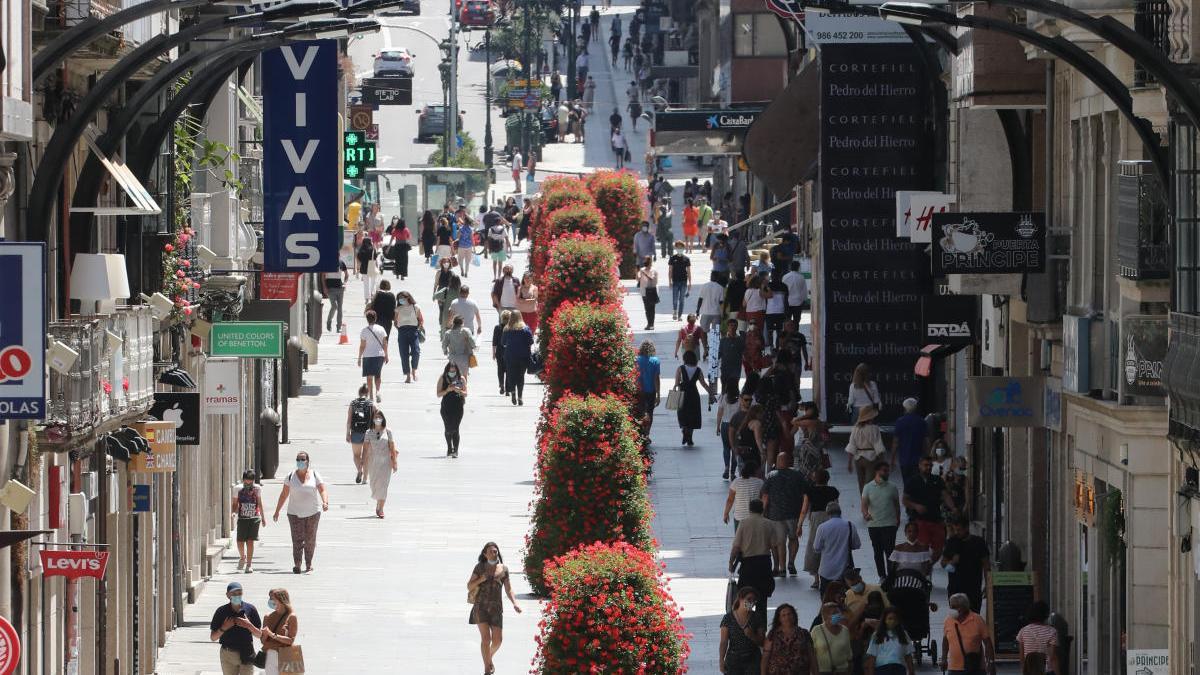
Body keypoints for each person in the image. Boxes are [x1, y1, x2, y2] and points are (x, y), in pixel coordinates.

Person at [467, 542, 523, 675]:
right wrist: (481, 579)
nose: (494, 552)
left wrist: (515, 603)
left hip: (496, 608)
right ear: (485, 554)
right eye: (491, 551)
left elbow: (509, 589)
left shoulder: (503, 569)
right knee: (486, 639)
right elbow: (469, 586)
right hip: (480, 607)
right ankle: (487, 669)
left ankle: (489, 657)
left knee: (498, 640)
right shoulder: (479, 567)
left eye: (495, 550)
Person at [272, 452, 328, 574]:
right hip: (294, 513)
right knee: (297, 539)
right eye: (298, 459)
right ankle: (297, 564)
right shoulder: (291, 476)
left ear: (307, 461)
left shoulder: (314, 474)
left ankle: (308, 564)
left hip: (313, 512)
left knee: (310, 539)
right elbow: (284, 494)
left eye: (302, 459)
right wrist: (277, 511)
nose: (300, 461)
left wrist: (325, 502)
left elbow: (322, 489)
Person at [729, 499, 777, 626]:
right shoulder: (769, 524)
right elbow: (774, 547)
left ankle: (746, 625)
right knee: (762, 599)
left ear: (749, 509)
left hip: (748, 566)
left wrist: (731, 562)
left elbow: (736, 546)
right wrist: (777, 565)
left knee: (747, 597)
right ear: (763, 509)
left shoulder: (743, 523)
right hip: (764, 564)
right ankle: (761, 628)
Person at [761, 452, 806, 576]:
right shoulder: (798, 475)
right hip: (793, 514)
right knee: (793, 538)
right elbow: (805, 495)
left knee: (778, 542)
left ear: (777, 461)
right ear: (789, 462)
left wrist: (763, 512)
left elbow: (765, 496)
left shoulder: (770, 475)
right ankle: (791, 562)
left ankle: (781, 568)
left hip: (775, 515)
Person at [240, 588, 299, 675]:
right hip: (271, 654)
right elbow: (263, 641)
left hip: (287, 653)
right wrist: (263, 634)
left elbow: (291, 640)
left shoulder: (291, 617)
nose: (271, 601)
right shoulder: (268, 617)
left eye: (273, 598)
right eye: (270, 598)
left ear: (281, 600)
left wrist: (272, 634)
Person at [799, 469, 840, 588]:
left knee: (814, 545)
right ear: (827, 479)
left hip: (816, 518)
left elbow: (804, 510)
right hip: (830, 516)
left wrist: (799, 525)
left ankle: (816, 579)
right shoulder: (833, 491)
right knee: (830, 546)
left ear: (814, 479)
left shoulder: (810, 491)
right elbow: (837, 506)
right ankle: (831, 575)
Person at [209, 581, 261, 675]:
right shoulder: (221, 611)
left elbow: (259, 635)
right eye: (234, 594)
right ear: (228, 595)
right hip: (228, 654)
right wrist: (224, 628)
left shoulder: (250, 609)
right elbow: (213, 637)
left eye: (239, 593)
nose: (237, 596)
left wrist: (248, 625)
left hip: (247, 652)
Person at [903, 456, 949, 561]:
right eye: (925, 465)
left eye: (930, 465)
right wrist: (916, 506)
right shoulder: (913, 481)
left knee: (938, 549)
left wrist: (953, 508)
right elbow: (905, 500)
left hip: (936, 519)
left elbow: (945, 495)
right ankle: (923, 569)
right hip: (920, 520)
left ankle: (928, 567)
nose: (928, 467)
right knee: (922, 547)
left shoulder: (937, 480)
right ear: (920, 466)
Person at [941, 514, 991, 612]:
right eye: (955, 529)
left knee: (973, 616)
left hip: (973, 588)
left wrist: (988, 584)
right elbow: (943, 563)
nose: (956, 532)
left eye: (959, 530)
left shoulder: (978, 542)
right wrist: (951, 562)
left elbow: (986, 564)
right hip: (955, 588)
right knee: (956, 617)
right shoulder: (951, 542)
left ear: (966, 528)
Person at [861, 460, 900, 581]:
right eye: (884, 470)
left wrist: (898, 519)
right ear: (877, 472)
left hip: (889, 524)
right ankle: (882, 575)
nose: (886, 473)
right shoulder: (868, 487)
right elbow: (864, 504)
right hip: (874, 524)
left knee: (890, 552)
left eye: (887, 471)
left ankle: (891, 575)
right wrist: (866, 514)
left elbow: (896, 505)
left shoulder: (892, 487)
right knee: (877, 551)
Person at [812, 501, 861, 593]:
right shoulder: (850, 525)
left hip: (826, 570)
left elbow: (816, 548)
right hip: (844, 570)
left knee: (826, 597)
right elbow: (856, 545)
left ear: (827, 513)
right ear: (840, 512)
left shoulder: (822, 527)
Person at [940, 593, 994, 675]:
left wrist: (991, 662)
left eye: (955, 607)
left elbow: (988, 643)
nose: (952, 609)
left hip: (975, 668)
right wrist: (944, 659)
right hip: (954, 669)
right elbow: (945, 641)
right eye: (951, 607)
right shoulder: (948, 620)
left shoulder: (977, 620)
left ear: (963, 607)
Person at [720, 587, 765, 675]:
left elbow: (762, 641)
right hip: (733, 661)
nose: (751, 603)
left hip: (753, 660)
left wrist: (752, 635)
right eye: (748, 599)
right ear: (740, 598)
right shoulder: (728, 618)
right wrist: (721, 659)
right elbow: (724, 642)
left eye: (754, 600)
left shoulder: (757, 617)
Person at [762, 603, 815, 675]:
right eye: (783, 615)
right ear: (779, 619)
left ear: (794, 615)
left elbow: (812, 656)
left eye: (789, 614)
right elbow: (765, 657)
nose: (787, 617)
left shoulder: (804, 633)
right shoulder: (773, 634)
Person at [673, 350, 713, 446]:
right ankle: (690, 437)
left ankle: (684, 431)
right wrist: (711, 393)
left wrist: (676, 387)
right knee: (693, 416)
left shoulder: (680, 368)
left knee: (683, 414)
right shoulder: (698, 370)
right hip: (694, 395)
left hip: (683, 394)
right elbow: (703, 384)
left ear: (685, 358)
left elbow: (677, 383)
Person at [846, 406, 887, 493]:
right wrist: (883, 460)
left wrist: (849, 463)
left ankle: (863, 502)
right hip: (871, 458)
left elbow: (851, 446)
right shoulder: (874, 429)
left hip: (858, 459)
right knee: (869, 484)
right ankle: (869, 504)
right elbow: (878, 446)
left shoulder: (855, 429)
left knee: (861, 483)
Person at [365, 411, 398, 518]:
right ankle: (378, 503)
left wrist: (394, 462)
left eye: (380, 417)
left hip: (386, 462)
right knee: (374, 485)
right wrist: (362, 462)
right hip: (373, 462)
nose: (378, 419)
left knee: (383, 485)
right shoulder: (368, 432)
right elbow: (365, 449)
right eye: (376, 417)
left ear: (383, 419)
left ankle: (381, 508)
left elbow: (392, 447)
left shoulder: (388, 432)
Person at [864, 607, 916, 675]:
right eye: (890, 619)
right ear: (884, 620)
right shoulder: (877, 635)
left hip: (898, 668)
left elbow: (908, 655)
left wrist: (911, 671)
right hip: (882, 669)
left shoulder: (903, 635)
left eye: (895, 619)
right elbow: (872, 656)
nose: (892, 621)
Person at [231, 470, 265, 574]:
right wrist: (233, 512)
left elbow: (259, 502)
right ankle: (242, 557)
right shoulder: (238, 489)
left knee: (250, 541)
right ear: (243, 479)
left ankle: (249, 565)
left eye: (251, 480)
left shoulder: (257, 488)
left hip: (254, 517)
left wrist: (263, 517)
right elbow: (235, 503)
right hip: (242, 518)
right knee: (240, 541)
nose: (249, 482)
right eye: (247, 480)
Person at [1016, 601, 1060, 675]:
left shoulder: (1023, 631)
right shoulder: (1052, 631)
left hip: (1030, 670)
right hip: (1046, 671)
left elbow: (1022, 656)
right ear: (1046, 614)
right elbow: (1053, 657)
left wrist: (1024, 670)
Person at [811, 602, 854, 675]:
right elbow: (811, 654)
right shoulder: (816, 630)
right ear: (825, 616)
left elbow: (849, 655)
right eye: (834, 613)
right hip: (822, 672)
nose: (838, 615)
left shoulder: (845, 630)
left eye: (838, 612)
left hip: (842, 671)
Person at [893, 398, 927, 486]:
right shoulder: (922, 422)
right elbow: (926, 441)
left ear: (904, 408)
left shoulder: (900, 422)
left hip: (904, 459)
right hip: (918, 459)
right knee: (918, 483)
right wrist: (927, 456)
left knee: (906, 483)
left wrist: (892, 459)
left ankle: (907, 497)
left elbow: (896, 442)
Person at [502, 312, 534, 405]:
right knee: (520, 377)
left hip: (510, 356)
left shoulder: (507, 329)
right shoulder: (525, 329)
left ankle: (513, 393)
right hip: (523, 356)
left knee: (511, 376)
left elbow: (503, 342)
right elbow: (531, 341)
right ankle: (520, 397)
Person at [357, 310, 389, 403]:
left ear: (367, 319)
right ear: (376, 318)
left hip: (368, 355)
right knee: (378, 375)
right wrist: (386, 355)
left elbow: (362, 345)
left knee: (369, 376)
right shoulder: (381, 329)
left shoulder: (364, 331)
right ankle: (378, 391)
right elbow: (385, 343)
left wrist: (359, 357)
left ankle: (371, 395)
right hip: (379, 355)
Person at [345, 385, 375, 483]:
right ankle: (365, 479)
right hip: (368, 432)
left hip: (356, 432)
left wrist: (347, 434)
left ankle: (359, 470)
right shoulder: (371, 404)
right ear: (367, 393)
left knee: (356, 455)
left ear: (359, 393)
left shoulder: (353, 403)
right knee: (366, 456)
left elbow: (349, 420)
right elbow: (376, 418)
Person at [437, 362, 468, 457]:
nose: (452, 370)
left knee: (455, 429)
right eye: (450, 368)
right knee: (448, 429)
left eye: (454, 368)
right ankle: (449, 448)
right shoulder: (443, 378)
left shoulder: (461, 378)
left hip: (458, 407)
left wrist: (459, 390)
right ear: (447, 368)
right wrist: (447, 390)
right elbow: (438, 394)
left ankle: (456, 450)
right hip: (446, 407)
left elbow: (466, 393)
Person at [393, 290, 424, 384]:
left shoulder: (416, 307)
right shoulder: (398, 309)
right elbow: (395, 321)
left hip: (413, 331)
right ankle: (407, 375)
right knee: (403, 354)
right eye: (399, 298)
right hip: (402, 332)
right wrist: (399, 329)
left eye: (403, 298)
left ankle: (414, 371)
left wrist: (418, 329)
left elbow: (421, 320)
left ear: (408, 297)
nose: (401, 300)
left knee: (416, 351)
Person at [635, 340, 661, 436]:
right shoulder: (655, 361)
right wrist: (658, 394)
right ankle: (647, 433)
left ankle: (640, 433)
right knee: (649, 413)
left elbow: (635, 376)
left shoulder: (636, 360)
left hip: (639, 390)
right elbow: (656, 379)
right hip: (651, 391)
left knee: (640, 412)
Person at [718, 318, 744, 397]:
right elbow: (719, 354)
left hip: (736, 369)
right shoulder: (723, 340)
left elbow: (743, 353)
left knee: (735, 388)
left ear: (737, 327)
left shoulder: (740, 340)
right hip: (725, 368)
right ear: (727, 327)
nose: (732, 327)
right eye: (730, 325)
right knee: (724, 388)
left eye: (734, 325)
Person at [321, 258, 348, 333]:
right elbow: (323, 276)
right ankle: (329, 321)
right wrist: (324, 287)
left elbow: (346, 274)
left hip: (340, 288)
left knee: (340, 308)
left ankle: (339, 327)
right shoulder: (327, 262)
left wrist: (345, 283)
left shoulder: (341, 262)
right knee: (334, 306)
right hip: (330, 289)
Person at [667, 241, 692, 320]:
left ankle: (680, 315)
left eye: (681, 247)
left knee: (681, 299)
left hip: (684, 281)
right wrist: (670, 281)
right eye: (678, 247)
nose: (679, 249)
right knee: (675, 299)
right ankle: (675, 311)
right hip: (675, 281)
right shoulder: (672, 258)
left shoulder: (686, 259)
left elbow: (689, 271)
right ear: (676, 248)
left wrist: (690, 283)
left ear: (683, 248)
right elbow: (670, 270)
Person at [485, 211, 512, 280]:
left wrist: (488, 248)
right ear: (499, 222)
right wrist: (509, 247)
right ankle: (499, 277)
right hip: (501, 247)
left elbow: (488, 239)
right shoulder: (503, 228)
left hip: (493, 247)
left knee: (494, 263)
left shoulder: (491, 229)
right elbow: (506, 238)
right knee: (500, 264)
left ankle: (494, 277)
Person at [636, 256, 659, 329]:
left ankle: (651, 324)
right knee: (647, 308)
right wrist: (637, 272)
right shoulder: (642, 270)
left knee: (652, 308)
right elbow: (638, 279)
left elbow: (652, 279)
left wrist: (644, 273)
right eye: (644, 261)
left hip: (652, 291)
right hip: (644, 291)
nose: (645, 262)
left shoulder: (654, 270)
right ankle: (649, 324)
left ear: (650, 262)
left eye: (647, 261)